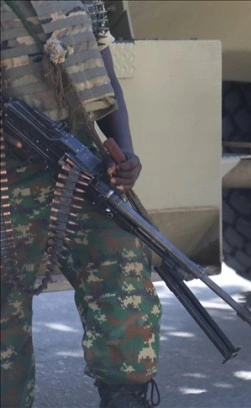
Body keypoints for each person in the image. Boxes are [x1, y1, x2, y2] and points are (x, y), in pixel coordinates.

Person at [1, 1, 161, 407]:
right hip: (8, 177)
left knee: (125, 281)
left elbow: (100, 67)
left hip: (77, 164)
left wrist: (123, 151)